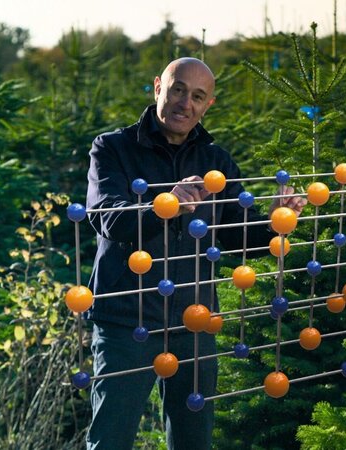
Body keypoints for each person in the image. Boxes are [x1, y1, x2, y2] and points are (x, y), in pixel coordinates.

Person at [84, 57, 306, 450]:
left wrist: (274, 223)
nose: (186, 103)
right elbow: (106, 218)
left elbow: (236, 234)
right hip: (127, 320)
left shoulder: (215, 161)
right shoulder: (112, 148)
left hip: (195, 320)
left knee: (193, 441)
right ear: (158, 87)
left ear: (208, 105)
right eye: (178, 89)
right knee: (111, 440)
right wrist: (164, 204)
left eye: (198, 96)